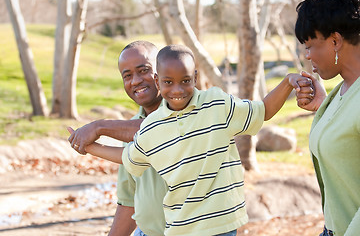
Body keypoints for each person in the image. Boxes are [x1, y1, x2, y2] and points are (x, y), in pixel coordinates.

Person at [78, 44, 314, 236]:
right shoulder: (148, 128)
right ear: (160, 79)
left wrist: (286, 83)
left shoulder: (213, 106)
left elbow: (261, 111)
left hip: (213, 228)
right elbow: (127, 181)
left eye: (143, 70)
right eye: (127, 75)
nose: (177, 89)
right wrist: (90, 147)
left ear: (195, 77)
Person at [69, 40, 168, 236]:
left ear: (162, 71)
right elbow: (128, 201)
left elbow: (159, 129)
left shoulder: (186, 114)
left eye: (143, 70)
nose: (135, 81)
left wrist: (99, 127)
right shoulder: (128, 129)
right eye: (127, 75)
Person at [293, 0, 360, 235]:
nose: (308, 55)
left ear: (335, 41)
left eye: (310, 45)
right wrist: (324, 107)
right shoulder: (342, 91)